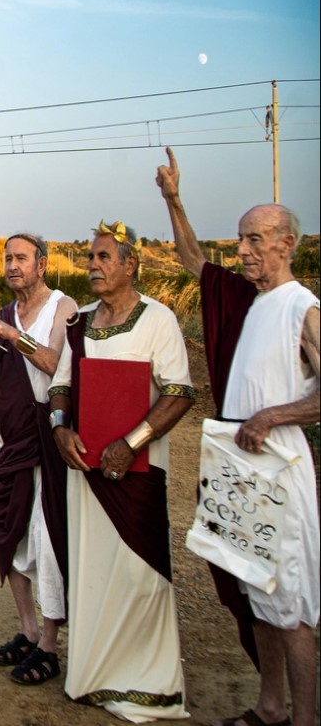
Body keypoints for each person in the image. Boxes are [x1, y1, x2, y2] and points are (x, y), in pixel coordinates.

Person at [156, 147, 318, 726]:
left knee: (291, 607)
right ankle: (269, 707)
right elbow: (194, 258)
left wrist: (274, 416)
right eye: (242, 239)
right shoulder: (249, 301)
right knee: (254, 595)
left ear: (286, 244)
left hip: (279, 471)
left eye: (254, 239)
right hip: (239, 472)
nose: (243, 250)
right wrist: (173, 199)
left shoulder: (304, 307)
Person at [48, 220, 195, 719]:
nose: (92, 265)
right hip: (85, 468)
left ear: (132, 264)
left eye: (103, 257)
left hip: (136, 472)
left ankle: (148, 685)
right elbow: (60, 387)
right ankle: (92, 676)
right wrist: (60, 428)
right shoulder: (79, 323)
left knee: (140, 575)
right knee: (92, 571)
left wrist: (131, 443)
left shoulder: (160, 320)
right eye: (90, 257)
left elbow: (179, 393)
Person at [0, 233, 75, 685]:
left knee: (45, 541)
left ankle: (49, 644)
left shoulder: (63, 308)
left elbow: (61, 366)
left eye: (21, 258)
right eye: (7, 258)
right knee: (11, 536)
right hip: (13, 447)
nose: (11, 265)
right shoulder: (2, 316)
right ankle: (27, 631)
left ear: (42, 265)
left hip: (46, 443)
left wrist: (13, 336)